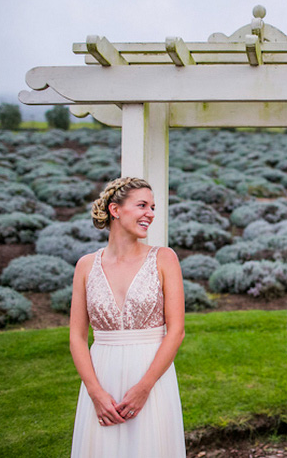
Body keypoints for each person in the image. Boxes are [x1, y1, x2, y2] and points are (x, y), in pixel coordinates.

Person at [69, 177, 186, 457]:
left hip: (152, 378)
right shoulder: (85, 266)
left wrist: (144, 388)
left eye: (153, 207)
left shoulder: (164, 258)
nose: (151, 213)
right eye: (142, 205)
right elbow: (76, 337)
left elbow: (176, 331)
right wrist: (95, 392)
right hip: (101, 377)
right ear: (115, 210)